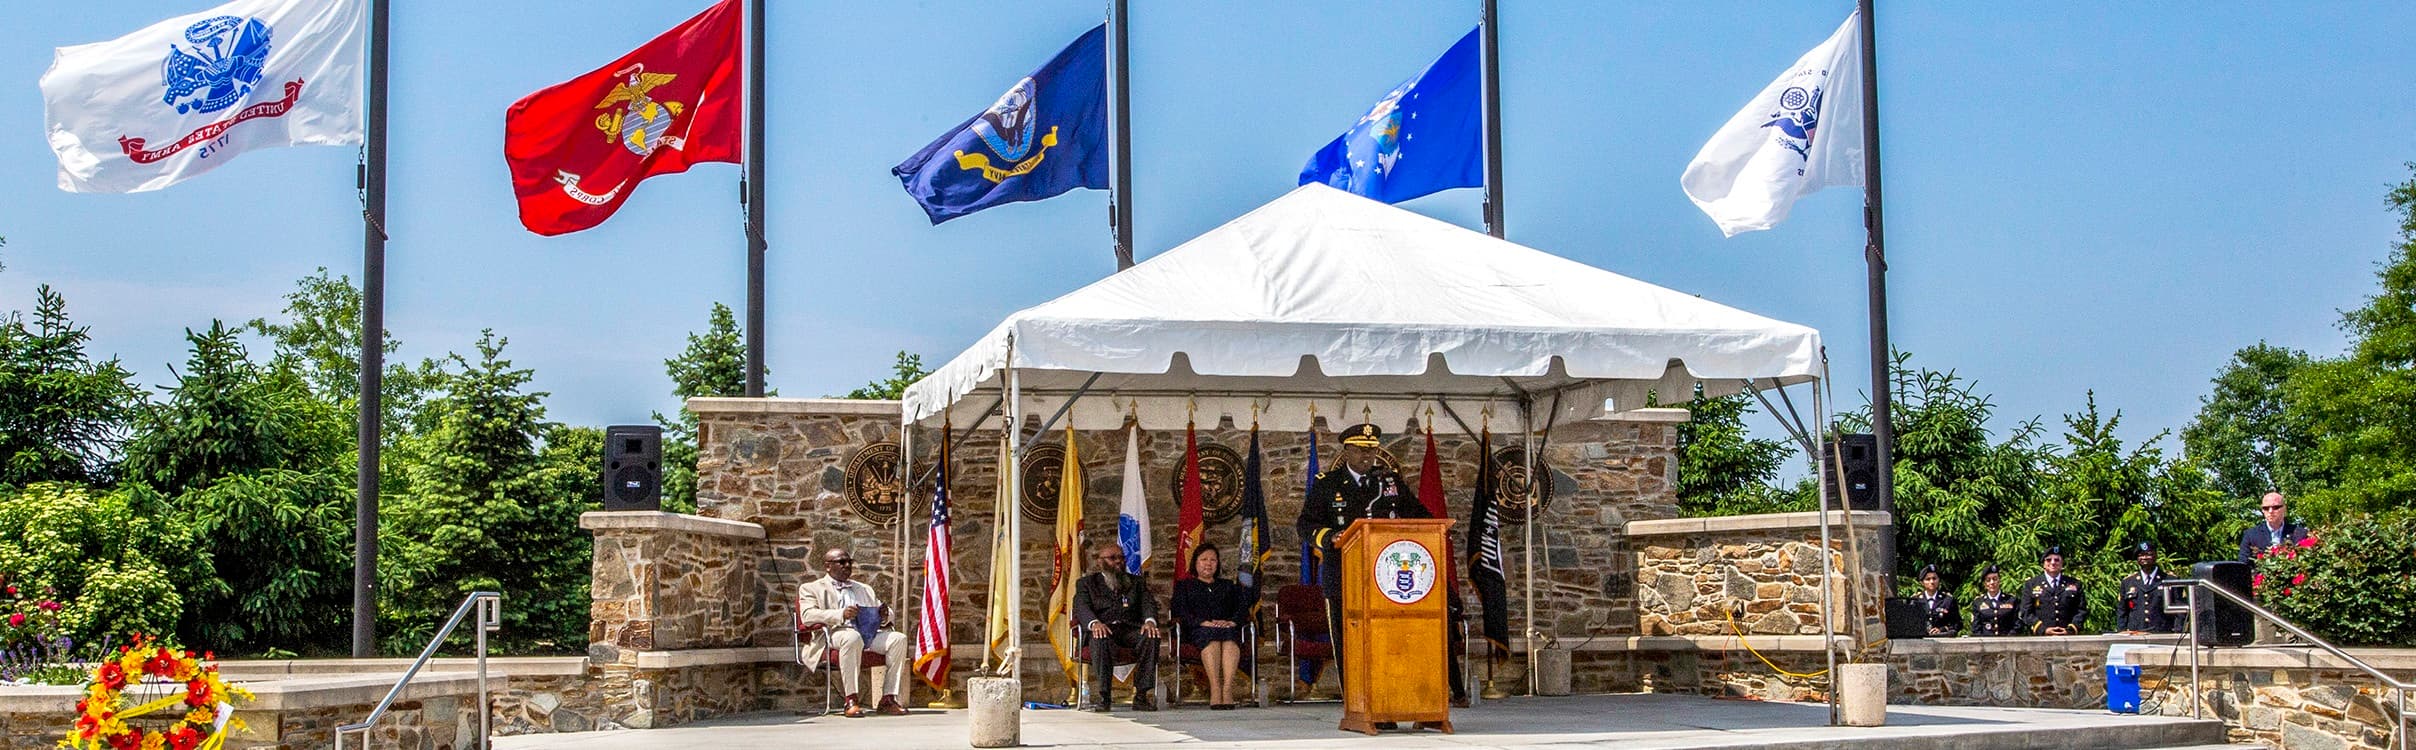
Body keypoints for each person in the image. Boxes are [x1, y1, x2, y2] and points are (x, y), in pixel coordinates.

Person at [1292, 423, 1427, 690]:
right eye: (1360, 450)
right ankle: (1354, 694)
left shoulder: (1388, 482)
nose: (1367, 456)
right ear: (1347, 451)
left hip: (1385, 579)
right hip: (1344, 575)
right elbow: (1305, 525)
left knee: (1383, 637)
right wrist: (1330, 538)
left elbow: (1421, 515)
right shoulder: (1327, 485)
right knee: (1347, 639)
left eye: (1372, 450)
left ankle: (1386, 690)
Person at [797, 548, 911, 717]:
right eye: (841, 562)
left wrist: (885, 615)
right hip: (834, 632)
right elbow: (807, 616)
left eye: (849, 562)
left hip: (867, 634)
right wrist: (841, 614)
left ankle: (888, 698)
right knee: (851, 637)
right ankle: (851, 700)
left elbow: (882, 610)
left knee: (898, 638)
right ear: (828, 566)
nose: (847, 566)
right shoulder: (811, 588)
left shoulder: (864, 589)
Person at [1074, 541, 1162, 712]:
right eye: (1112, 558)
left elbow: (1148, 604)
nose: (1118, 562)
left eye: (1121, 558)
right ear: (1100, 561)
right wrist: (1094, 623)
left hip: (1129, 629)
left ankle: (1141, 695)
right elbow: (1081, 607)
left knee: (1151, 636)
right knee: (1099, 638)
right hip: (1103, 629)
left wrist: (1150, 621)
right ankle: (1104, 696)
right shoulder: (1086, 583)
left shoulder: (1136, 582)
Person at [1172, 543, 1252, 710]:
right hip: (1198, 629)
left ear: (1218, 563)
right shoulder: (1185, 586)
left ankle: (1228, 689)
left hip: (1227, 628)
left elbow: (1242, 608)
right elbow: (1180, 610)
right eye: (1204, 559)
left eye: (1213, 560)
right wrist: (1202, 622)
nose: (1208, 563)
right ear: (1195, 563)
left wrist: (1232, 621)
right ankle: (1215, 688)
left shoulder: (1228, 585)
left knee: (1230, 639)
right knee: (1212, 639)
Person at [2016, 546, 2086, 636]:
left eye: (2057, 560)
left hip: (2068, 637)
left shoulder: (2075, 584)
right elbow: (2026, 611)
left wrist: (2071, 629)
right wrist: (2042, 629)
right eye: (2048, 560)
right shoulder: (2031, 584)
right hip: (2041, 638)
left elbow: (2081, 611)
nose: (2053, 563)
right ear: (2043, 564)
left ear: (2062, 563)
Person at [2118, 541, 2174, 633]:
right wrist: (2121, 632)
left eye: (2148, 554)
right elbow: (2122, 611)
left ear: (2155, 555)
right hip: (2135, 633)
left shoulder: (2170, 580)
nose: (2144, 558)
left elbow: (2180, 612)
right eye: (2141, 555)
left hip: (2163, 633)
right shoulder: (2128, 582)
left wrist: (2178, 632)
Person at [2239, 492, 2310, 562]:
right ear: (2262, 510)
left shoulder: (2300, 534)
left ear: (2284, 509)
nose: (2270, 511)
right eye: (2266, 508)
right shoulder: (2251, 535)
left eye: (2275, 507)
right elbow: (2243, 565)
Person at [1968, 565, 2019, 636]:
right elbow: (1976, 628)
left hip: (2007, 642)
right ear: (1984, 584)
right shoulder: (1978, 602)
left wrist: (2008, 639)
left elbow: (2017, 624)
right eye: (1988, 580)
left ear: (1999, 580)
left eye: (1995, 579)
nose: (1992, 583)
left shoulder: (2011, 600)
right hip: (1985, 643)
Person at [1915, 564, 1960, 637]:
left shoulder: (1948, 600)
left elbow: (1957, 624)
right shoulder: (1915, 600)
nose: (1932, 582)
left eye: (1934, 578)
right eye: (1928, 579)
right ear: (1922, 582)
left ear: (1939, 580)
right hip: (1921, 641)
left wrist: (1942, 629)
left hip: (1942, 640)